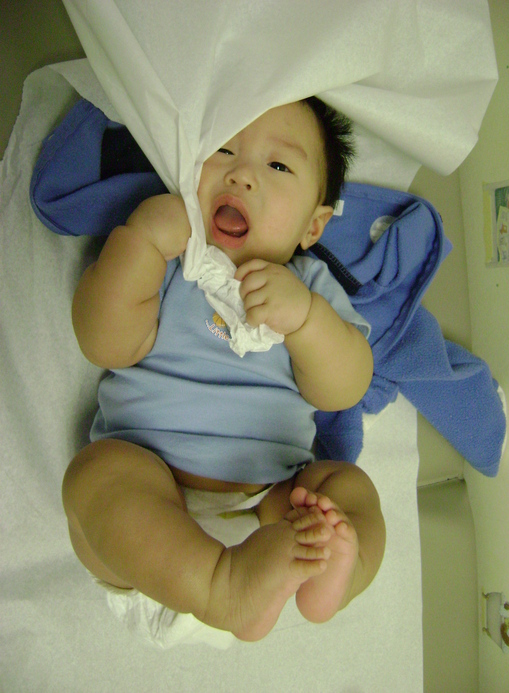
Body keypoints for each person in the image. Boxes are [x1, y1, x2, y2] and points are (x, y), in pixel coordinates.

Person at [62, 97, 385, 642]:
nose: (242, 174)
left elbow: (345, 388)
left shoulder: (309, 289)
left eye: (278, 165)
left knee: (348, 489)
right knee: (94, 477)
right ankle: (219, 587)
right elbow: (103, 342)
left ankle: (335, 572)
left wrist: (306, 320)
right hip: (150, 497)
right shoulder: (171, 262)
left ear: (312, 225)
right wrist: (141, 240)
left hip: (273, 508)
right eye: (224, 150)